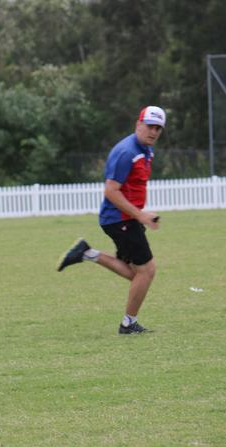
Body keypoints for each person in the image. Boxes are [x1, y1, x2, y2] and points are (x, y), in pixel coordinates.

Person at [57, 106, 166, 335]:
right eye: (150, 126)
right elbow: (111, 191)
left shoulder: (146, 150)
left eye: (158, 128)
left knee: (137, 274)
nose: (154, 132)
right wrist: (141, 216)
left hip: (127, 218)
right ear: (138, 124)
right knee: (147, 271)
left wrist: (142, 214)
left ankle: (87, 253)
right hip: (120, 219)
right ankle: (128, 324)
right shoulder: (127, 152)